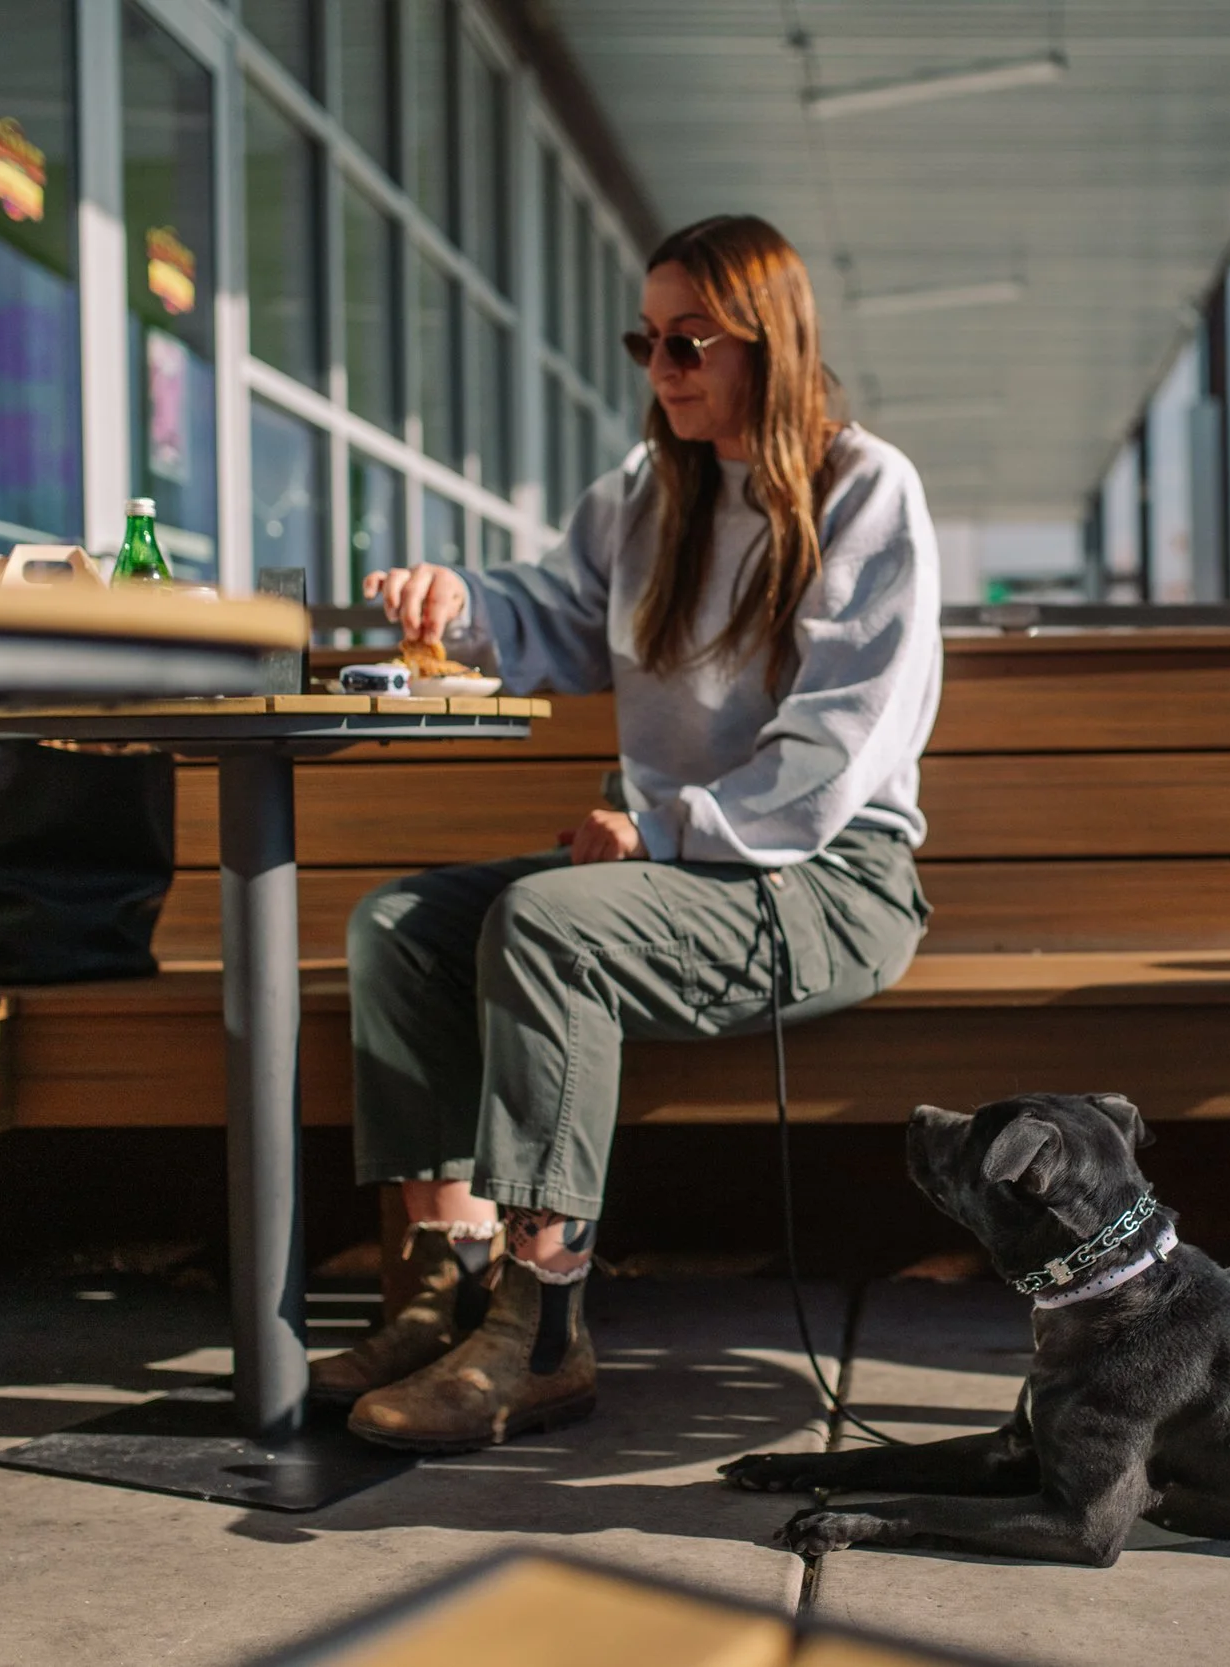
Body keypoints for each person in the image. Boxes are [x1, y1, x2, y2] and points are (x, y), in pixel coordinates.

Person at [311, 214, 943, 1452]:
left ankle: (540, 1332)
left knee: (547, 925)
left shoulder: (866, 490)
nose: (661, 366)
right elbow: (547, 613)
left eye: (689, 340)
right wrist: (461, 598)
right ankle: (448, 1284)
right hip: (668, 869)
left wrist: (664, 828)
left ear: (772, 342)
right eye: (643, 340)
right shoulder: (645, 496)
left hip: (823, 879)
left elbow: (836, 748)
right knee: (400, 926)